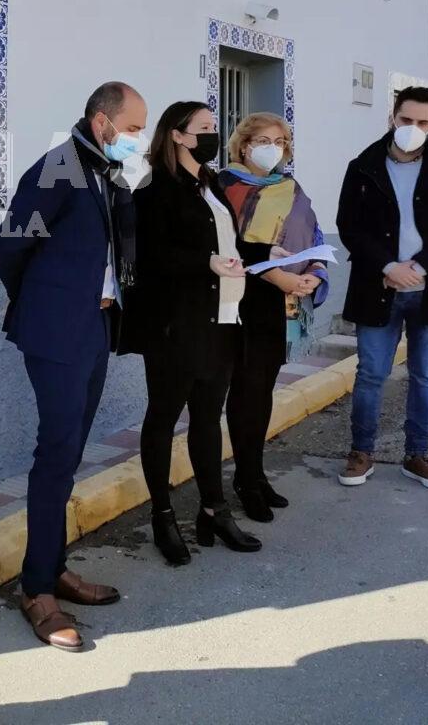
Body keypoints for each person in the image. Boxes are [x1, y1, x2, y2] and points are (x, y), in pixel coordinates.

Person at [0, 81, 147, 651]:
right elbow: (9, 246)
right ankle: (36, 589)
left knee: (69, 453)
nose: (138, 138)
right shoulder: (60, 167)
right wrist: (40, 303)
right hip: (58, 332)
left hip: (95, 328)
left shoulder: (105, 172)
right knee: (56, 453)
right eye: (133, 128)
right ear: (102, 121)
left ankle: (53, 568)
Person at [133, 101, 260, 563]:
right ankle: (163, 517)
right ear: (177, 135)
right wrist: (205, 263)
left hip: (223, 318)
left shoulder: (211, 184)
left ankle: (214, 510)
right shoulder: (155, 189)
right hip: (176, 326)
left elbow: (227, 243)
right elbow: (150, 257)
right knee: (163, 419)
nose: (212, 134)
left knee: (208, 419)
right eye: (203, 127)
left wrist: (267, 254)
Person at [336, 86, 428, 491]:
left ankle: (417, 455)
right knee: (370, 374)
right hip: (377, 285)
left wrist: (418, 267)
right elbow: (350, 226)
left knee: (426, 376)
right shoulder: (363, 167)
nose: (413, 128)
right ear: (392, 118)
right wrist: (388, 266)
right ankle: (361, 452)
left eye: (422, 122)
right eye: (406, 119)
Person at [218, 112, 329, 522]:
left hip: (283, 306)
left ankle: (256, 473)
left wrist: (315, 272)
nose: (273, 149)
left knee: (263, 391)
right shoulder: (224, 186)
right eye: (264, 141)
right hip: (242, 301)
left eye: (280, 142)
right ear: (244, 144)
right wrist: (278, 276)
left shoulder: (290, 187)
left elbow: (314, 236)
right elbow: (225, 246)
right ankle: (245, 481)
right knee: (245, 392)